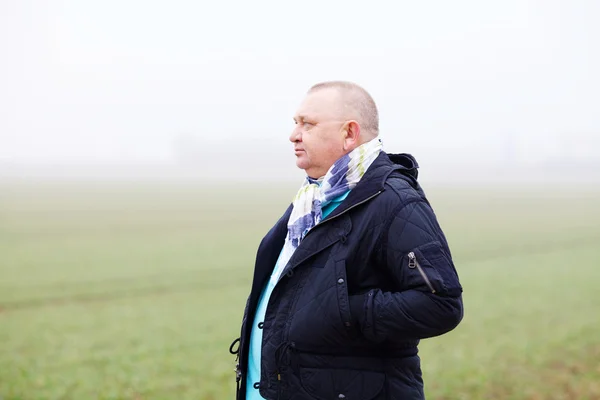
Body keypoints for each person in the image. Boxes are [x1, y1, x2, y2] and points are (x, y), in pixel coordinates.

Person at [229, 81, 464, 400]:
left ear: (349, 133)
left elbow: (441, 303)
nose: (294, 135)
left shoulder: (394, 202)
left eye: (307, 124)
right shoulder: (311, 201)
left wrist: (346, 311)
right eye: (295, 123)